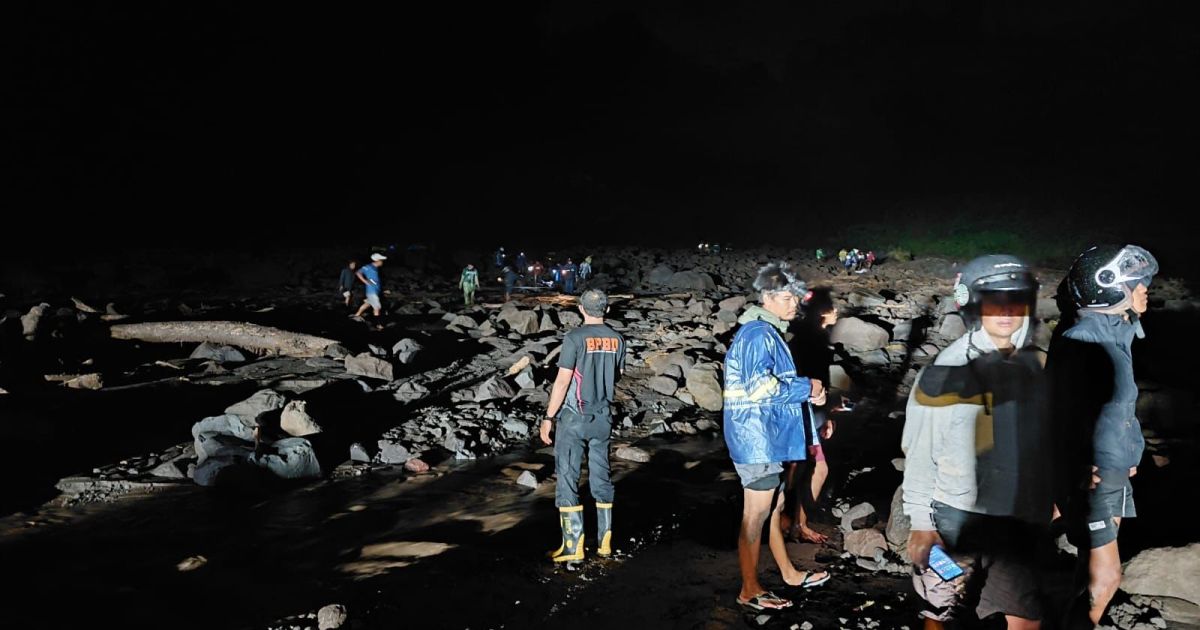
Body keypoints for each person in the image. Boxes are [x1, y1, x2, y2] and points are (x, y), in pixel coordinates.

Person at [902, 255, 1051, 629]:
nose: (1006, 310)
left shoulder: (1039, 368)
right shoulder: (946, 371)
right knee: (941, 613)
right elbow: (920, 452)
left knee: (1026, 617)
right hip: (957, 518)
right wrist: (921, 523)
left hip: (1017, 519)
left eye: (1016, 298)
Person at [1048, 244, 1158, 628]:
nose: (1145, 290)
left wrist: (1129, 457)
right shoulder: (1084, 341)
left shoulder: (1113, 331)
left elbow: (1115, 410)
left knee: (1088, 566)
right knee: (1106, 577)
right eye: (1136, 284)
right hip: (1095, 475)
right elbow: (1063, 414)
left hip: (1111, 468)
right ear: (1108, 289)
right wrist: (1079, 469)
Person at [724, 262, 831, 612]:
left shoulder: (768, 332)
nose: (793, 304)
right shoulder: (758, 334)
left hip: (765, 436)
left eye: (795, 298)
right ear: (767, 298)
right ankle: (749, 590)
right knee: (755, 514)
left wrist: (809, 393)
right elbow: (760, 388)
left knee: (774, 506)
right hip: (756, 439)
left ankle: (788, 573)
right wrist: (807, 387)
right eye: (787, 298)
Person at [540, 289, 625, 562]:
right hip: (603, 418)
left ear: (581, 309)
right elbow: (617, 374)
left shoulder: (574, 338)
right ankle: (604, 543)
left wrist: (548, 417)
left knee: (568, 476)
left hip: (575, 417)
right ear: (607, 310)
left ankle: (572, 546)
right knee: (602, 476)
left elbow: (563, 381)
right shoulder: (617, 338)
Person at [782, 287, 840, 544]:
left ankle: (793, 522)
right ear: (822, 312)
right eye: (831, 307)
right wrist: (822, 412)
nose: (836, 310)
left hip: (807, 412)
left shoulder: (810, 338)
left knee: (806, 467)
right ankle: (790, 522)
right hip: (801, 413)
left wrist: (826, 414)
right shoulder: (811, 341)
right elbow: (811, 381)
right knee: (803, 468)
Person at [353, 253, 386, 321]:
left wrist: (381, 290)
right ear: (377, 260)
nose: (382, 262)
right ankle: (377, 324)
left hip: (374, 291)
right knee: (377, 308)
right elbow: (358, 273)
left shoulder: (375, 268)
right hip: (372, 292)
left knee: (367, 304)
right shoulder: (369, 267)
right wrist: (365, 281)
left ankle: (356, 315)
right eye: (381, 260)